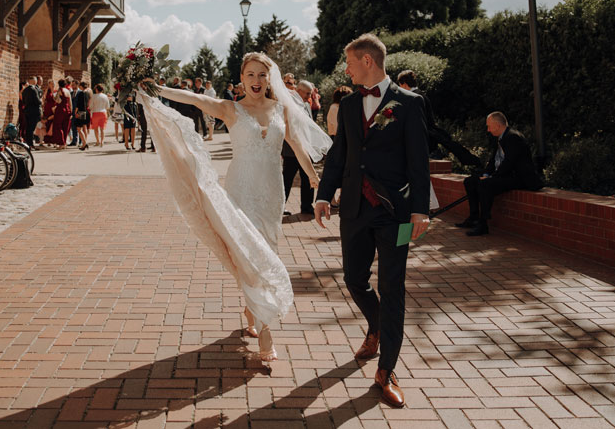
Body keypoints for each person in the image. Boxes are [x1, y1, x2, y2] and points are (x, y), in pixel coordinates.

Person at [139, 52, 331, 362]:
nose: (256, 80)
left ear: (270, 79)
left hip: (272, 192)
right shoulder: (229, 108)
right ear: (241, 79)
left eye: (262, 75)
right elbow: (192, 98)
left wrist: (313, 176)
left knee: (265, 250)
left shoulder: (281, 108)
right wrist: (157, 89)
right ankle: (266, 330)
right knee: (249, 251)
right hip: (241, 190)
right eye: (251, 74)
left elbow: (295, 142)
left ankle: (251, 304)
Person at [315, 33, 431, 408]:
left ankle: (387, 370)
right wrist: (322, 194)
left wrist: (420, 208)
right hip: (354, 209)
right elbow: (340, 154)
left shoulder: (410, 104)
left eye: (349, 63)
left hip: (395, 213)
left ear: (367, 61)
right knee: (353, 278)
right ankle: (377, 326)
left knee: (393, 287)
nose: (346, 70)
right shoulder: (349, 105)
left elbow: (419, 159)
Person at [459, 112, 542, 237]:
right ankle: (473, 218)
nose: (488, 130)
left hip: (519, 178)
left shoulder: (513, 137)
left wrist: (491, 177)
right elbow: (494, 161)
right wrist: (486, 173)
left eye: (489, 126)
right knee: (470, 181)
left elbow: (509, 163)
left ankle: (483, 224)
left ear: (497, 125)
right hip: (506, 175)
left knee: (485, 184)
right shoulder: (501, 137)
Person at [396, 70, 481, 170]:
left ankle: (472, 161)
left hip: (425, 136)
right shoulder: (421, 95)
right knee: (451, 145)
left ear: (404, 84)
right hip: (430, 133)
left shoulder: (415, 97)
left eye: (400, 85)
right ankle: (472, 161)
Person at [282, 78, 317, 216]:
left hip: (306, 149)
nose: (309, 97)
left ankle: (307, 206)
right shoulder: (287, 105)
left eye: (310, 94)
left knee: (308, 178)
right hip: (291, 150)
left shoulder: (307, 106)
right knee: (287, 180)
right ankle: (280, 206)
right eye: (307, 94)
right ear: (298, 91)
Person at [49, 79, 72, 149]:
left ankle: (61, 143)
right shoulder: (68, 91)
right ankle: (64, 143)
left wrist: (53, 94)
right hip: (67, 109)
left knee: (58, 126)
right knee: (65, 127)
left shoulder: (60, 91)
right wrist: (71, 112)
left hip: (60, 109)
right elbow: (70, 102)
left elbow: (57, 100)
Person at [21, 76, 42, 147]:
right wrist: (41, 101)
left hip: (27, 111)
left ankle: (28, 143)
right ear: (34, 81)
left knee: (28, 128)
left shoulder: (24, 91)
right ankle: (30, 144)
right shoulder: (34, 90)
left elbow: (23, 101)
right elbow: (37, 101)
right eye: (36, 80)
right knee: (32, 128)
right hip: (34, 111)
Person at [73, 80, 92, 150]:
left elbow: (78, 104)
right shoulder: (88, 93)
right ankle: (84, 143)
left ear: (81, 86)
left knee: (79, 129)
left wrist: (76, 112)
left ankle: (84, 143)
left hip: (80, 112)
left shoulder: (81, 93)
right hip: (86, 112)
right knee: (83, 128)